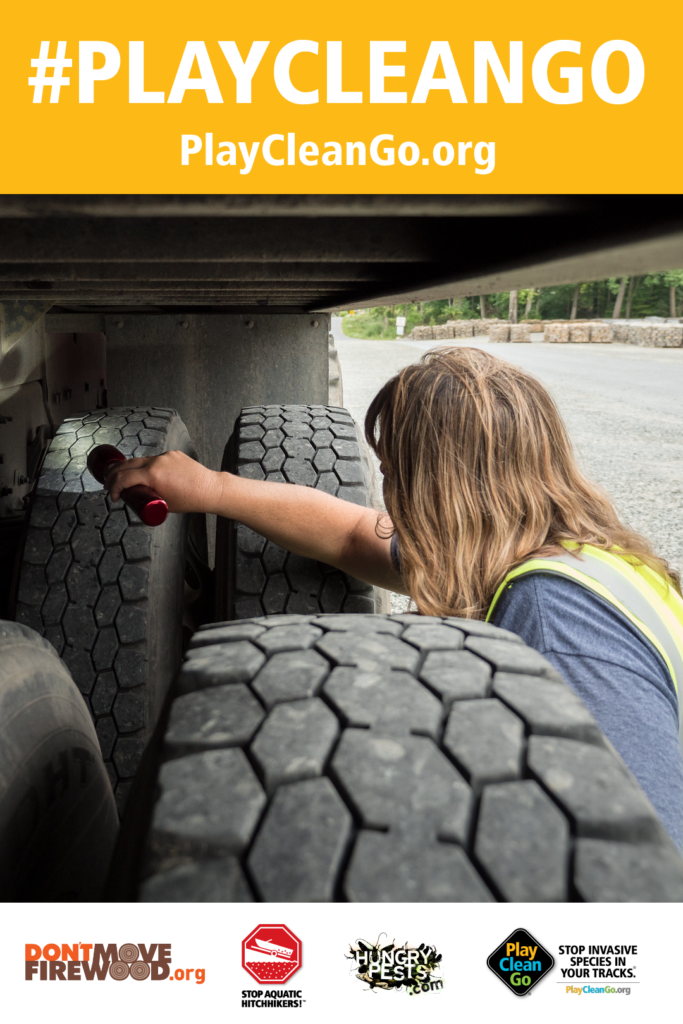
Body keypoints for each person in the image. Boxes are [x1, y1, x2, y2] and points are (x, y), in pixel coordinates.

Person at [105, 346, 683, 847]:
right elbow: (355, 534)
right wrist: (213, 488)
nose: (389, 497)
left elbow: (640, 861)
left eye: (393, 474)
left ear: (437, 491)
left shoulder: (554, 618)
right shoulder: (550, 553)